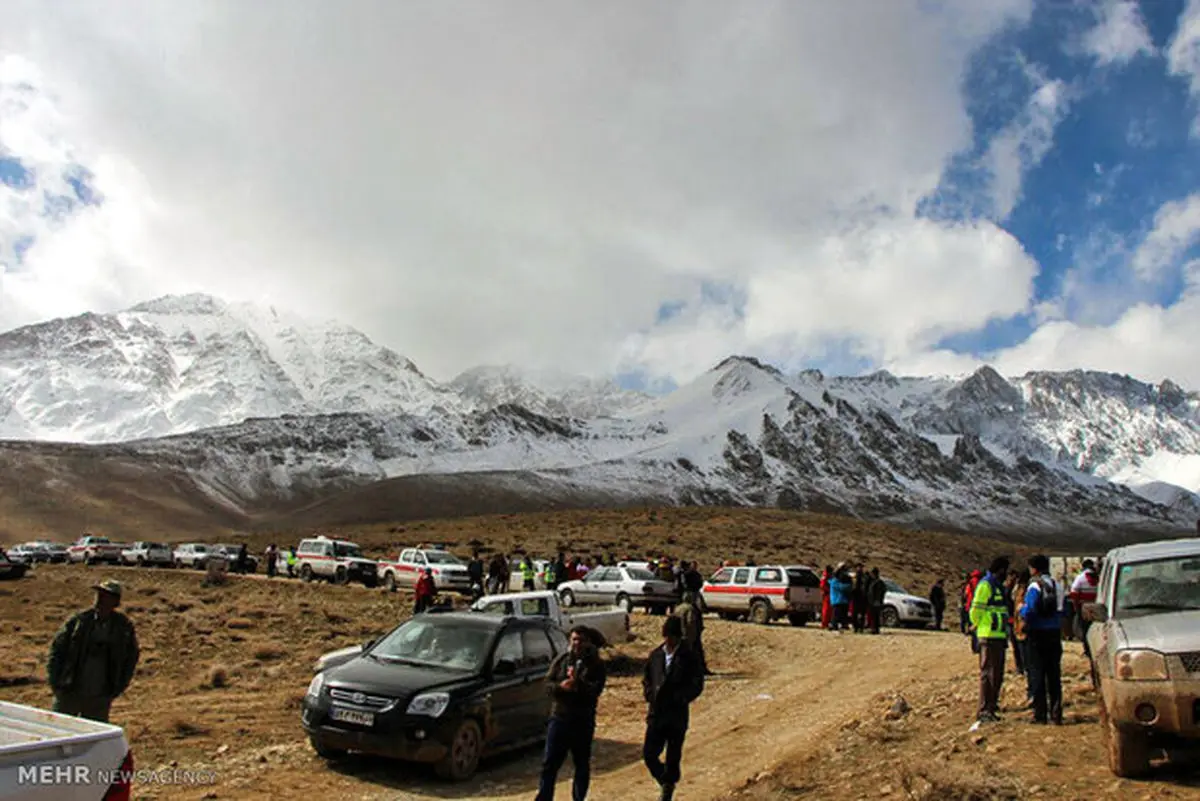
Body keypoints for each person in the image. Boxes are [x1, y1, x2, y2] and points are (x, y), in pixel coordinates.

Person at [47, 580, 140, 723]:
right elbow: (57, 651)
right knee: (60, 730)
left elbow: (130, 658)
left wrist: (118, 686)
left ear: (115, 601)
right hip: (70, 690)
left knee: (92, 738)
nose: (100, 598)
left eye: (105, 595)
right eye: (99, 594)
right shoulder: (79, 621)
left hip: (100, 694)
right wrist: (56, 683)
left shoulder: (122, 627)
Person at [536, 627, 607, 801]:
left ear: (588, 642)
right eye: (574, 639)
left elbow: (594, 691)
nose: (577, 643)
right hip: (560, 719)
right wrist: (561, 687)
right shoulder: (562, 660)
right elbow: (547, 684)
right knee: (549, 764)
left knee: (581, 764)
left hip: (582, 721)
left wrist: (578, 683)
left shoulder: (596, 665)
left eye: (581, 640)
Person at [643, 616, 705, 801]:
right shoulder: (656, 655)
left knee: (673, 756)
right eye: (667, 636)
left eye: (672, 637)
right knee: (649, 754)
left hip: (676, 714)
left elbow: (697, 683)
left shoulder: (688, 657)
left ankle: (667, 789)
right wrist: (649, 694)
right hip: (657, 713)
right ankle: (666, 780)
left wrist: (682, 697)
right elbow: (647, 678)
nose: (669, 640)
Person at [1021, 554, 1063, 725]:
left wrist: (1021, 612)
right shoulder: (1057, 585)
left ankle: (1040, 714)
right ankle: (1056, 712)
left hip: (1037, 633)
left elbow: (1030, 610)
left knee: (1037, 672)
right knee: (1054, 674)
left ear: (1034, 568)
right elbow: (1062, 609)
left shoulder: (1034, 586)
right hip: (1054, 633)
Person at [969, 556, 1010, 727]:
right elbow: (976, 609)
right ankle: (985, 709)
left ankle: (991, 707)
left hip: (998, 635)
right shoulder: (986, 585)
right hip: (988, 633)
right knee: (989, 674)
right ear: (1000, 569)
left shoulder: (997, 586)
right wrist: (976, 624)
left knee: (997, 674)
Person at [1069, 559, 1100, 657]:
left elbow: (1074, 593)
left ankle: (1088, 650)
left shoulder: (1080, 578)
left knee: (1085, 630)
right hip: (1098, 608)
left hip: (1084, 608)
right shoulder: (1099, 577)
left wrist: (1076, 607)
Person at [675, 590, 709, 675]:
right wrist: (693, 635)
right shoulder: (690, 609)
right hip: (687, 635)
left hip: (678, 634)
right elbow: (690, 622)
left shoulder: (678, 608)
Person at [829, 564, 852, 631]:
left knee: (843, 614)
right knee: (836, 614)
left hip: (842, 600)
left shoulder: (838, 580)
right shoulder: (834, 581)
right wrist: (849, 586)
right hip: (837, 600)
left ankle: (843, 625)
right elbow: (841, 587)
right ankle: (834, 625)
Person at [866, 568, 886, 634]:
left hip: (876, 602)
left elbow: (881, 592)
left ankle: (875, 629)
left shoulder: (879, 582)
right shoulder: (873, 581)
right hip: (872, 601)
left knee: (875, 616)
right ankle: (874, 628)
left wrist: (878, 600)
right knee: (873, 616)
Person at [851, 566, 868, 633]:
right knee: (856, 614)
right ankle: (857, 627)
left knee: (861, 614)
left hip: (861, 598)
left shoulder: (864, 578)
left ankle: (860, 628)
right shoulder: (855, 578)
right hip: (857, 597)